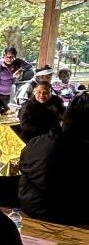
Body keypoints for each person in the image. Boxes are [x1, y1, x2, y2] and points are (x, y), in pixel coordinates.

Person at [19, 95, 89, 226]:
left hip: (32, 206)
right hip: (68, 213)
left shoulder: (38, 141)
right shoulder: (80, 149)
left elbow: (23, 166)